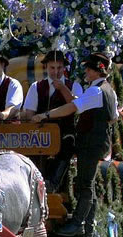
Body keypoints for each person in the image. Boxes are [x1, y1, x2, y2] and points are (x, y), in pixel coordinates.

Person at [32, 52, 118, 237]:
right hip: (97, 142)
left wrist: (46, 115)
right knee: (88, 183)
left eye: (88, 68)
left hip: (90, 142)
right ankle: (88, 225)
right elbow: (114, 118)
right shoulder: (109, 90)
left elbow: (72, 107)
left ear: (97, 71)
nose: (85, 71)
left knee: (85, 184)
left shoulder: (96, 91)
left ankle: (78, 223)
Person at [21, 50, 84, 192]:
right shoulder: (36, 87)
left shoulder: (73, 86)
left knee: (67, 145)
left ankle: (52, 184)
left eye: (59, 68)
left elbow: (77, 107)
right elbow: (30, 112)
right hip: (41, 132)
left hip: (64, 131)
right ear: (46, 68)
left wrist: (63, 89)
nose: (56, 71)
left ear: (64, 68)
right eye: (52, 68)